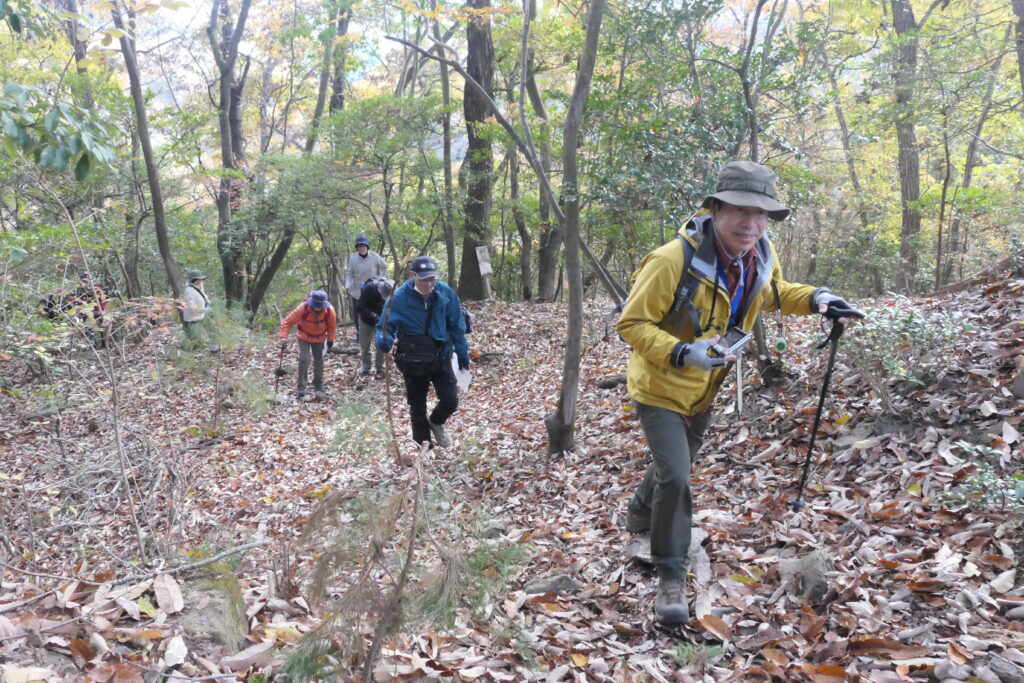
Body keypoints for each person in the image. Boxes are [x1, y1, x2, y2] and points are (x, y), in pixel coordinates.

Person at [616, 160, 864, 625]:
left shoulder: (760, 255)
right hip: (660, 386)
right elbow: (631, 324)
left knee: (676, 466)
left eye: (762, 214)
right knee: (678, 477)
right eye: (740, 211)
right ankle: (671, 575)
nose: (751, 224)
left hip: (705, 388)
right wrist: (683, 352)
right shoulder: (671, 260)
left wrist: (820, 299)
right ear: (714, 209)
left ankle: (637, 511)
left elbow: (773, 293)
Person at [375, 256, 469, 448]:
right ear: (412, 276)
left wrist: (462, 352)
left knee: (450, 401)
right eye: (424, 279)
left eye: (432, 278)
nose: (429, 283)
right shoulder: (399, 297)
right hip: (413, 359)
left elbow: (457, 323)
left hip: (441, 354)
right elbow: (384, 326)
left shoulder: (444, 293)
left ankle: (436, 422)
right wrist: (384, 341)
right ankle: (424, 448)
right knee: (417, 406)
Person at [278, 290, 337, 400]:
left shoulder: (330, 311)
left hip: (319, 338)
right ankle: (301, 387)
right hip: (303, 336)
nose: (318, 307)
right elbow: (288, 321)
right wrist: (283, 336)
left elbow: (331, 327)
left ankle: (318, 385)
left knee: (319, 361)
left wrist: (330, 340)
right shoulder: (303, 308)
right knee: (304, 359)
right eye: (316, 305)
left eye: (320, 305)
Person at [344, 235, 387, 341]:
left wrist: (381, 279)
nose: (361, 248)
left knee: (373, 312)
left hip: (372, 290)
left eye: (363, 246)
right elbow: (349, 273)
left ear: (367, 247)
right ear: (357, 248)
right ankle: (360, 334)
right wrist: (347, 284)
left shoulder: (375, 257)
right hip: (357, 290)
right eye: (359, 246)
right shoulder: (353, 258)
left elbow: (384, 266)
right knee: (358, 312)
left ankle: (375, 332)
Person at [355, 276, 394, 377]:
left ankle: (379, 369)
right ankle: (366, 368)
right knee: (364, 345)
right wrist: (373, 315)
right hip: (365, 319)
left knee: (380, 343)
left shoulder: (394, 295)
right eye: (383, 295)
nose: (384, 298)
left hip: (381, 321)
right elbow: (359, 307)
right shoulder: (369, 289)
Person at [182, 270, 211, 338]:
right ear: (192, 280)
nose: (200, 281)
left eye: (201, 279)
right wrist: (203, 310)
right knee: (193, 340)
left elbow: (203, 297)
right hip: (192, 319)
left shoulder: (199, 287)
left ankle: (214, 348)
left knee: (212, 331)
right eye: (198, 279)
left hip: (200, 316)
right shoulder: (189, 291)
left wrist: (209, 304)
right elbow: (192, 307)